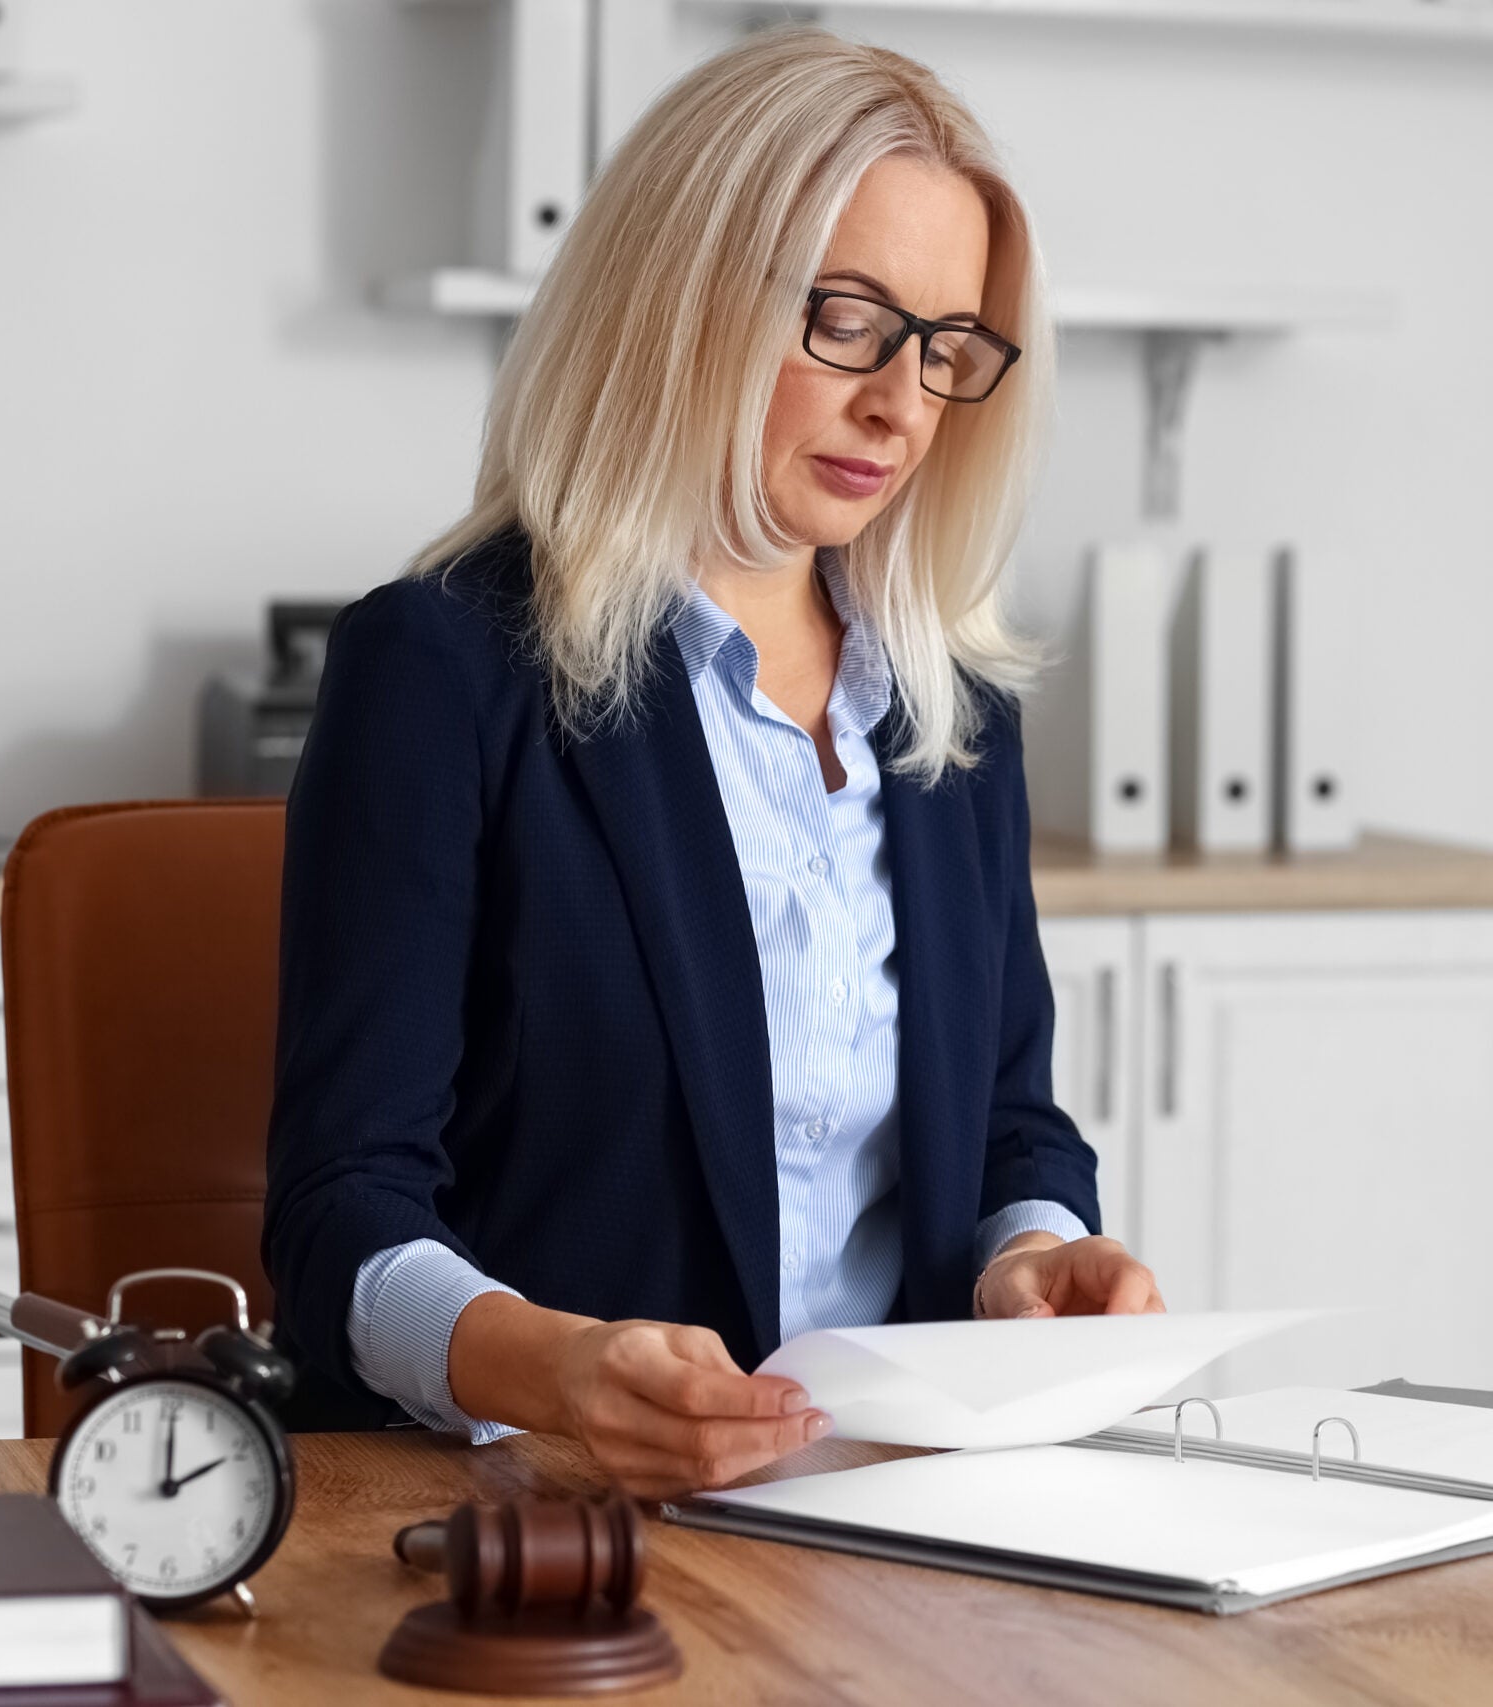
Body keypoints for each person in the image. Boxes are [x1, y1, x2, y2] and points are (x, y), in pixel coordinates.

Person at [260, 26, 1161, 1497]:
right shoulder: (443, 671)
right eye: (851, 322)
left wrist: (1033, 1257)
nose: (903, 405)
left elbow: (1012, 1122)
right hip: (554, 1511)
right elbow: (338, 1213)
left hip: (906, 1503)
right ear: (679, 295)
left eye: (946, 350)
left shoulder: (951, 711)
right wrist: (549, 1365)